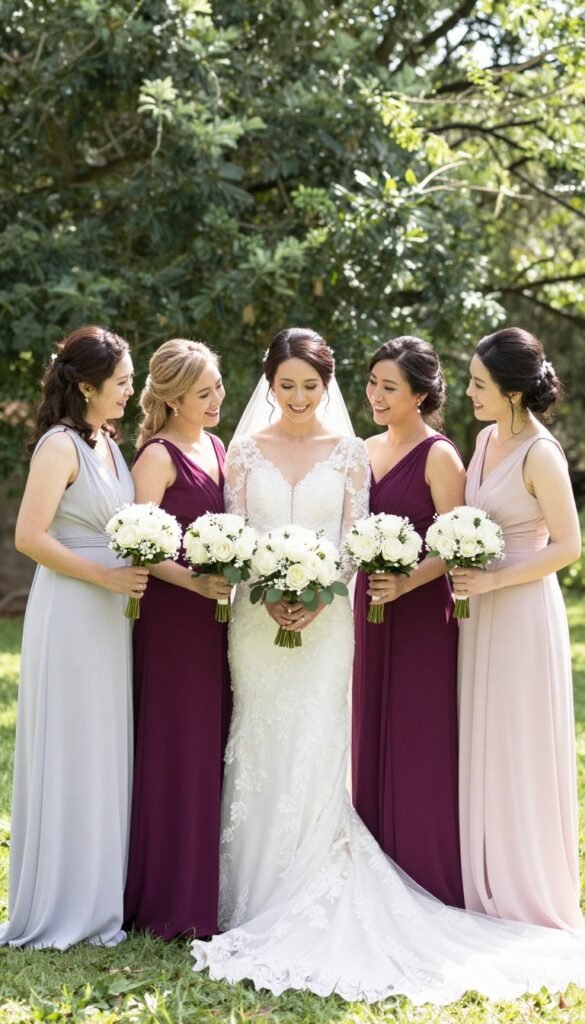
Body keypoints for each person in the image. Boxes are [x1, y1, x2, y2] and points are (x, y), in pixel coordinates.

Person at [190, 327, 585, 1004]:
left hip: (378, 616)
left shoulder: (381, 453)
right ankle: (249, 885)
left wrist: (320, 591)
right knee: (257, 742)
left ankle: (435, 875)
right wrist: (269, 588)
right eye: (284, 384)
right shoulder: (255, 452)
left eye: (311, 384)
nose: (297, 396)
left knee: (331, 742)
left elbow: (364, 538)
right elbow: (241, 530)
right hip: (268, 622)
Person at [0, 325, 146, 950]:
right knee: (71, 744)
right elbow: (29, 538)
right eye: (121, 383)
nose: (130, 392)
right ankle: (62, 900)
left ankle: (101, 892)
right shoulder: (60, 446)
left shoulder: (109, 442)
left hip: (112, 613)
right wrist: (104, 576)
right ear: (85, 385)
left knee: (103, 746)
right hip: (72, 606)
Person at [453, 327, 583, 930]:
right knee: (484, 733)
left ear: (510, 391)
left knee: (519, 737)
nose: (469, 392)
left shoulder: (541, 453)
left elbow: (569, 546)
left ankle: (526, 883)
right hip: (479, 606)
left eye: (479, 384)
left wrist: (495, 581)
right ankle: (484, 871)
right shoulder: (483, 439)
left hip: (522, 607)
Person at [123, 339, 232, 940]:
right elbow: (137, 543)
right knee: (177, 749)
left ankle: (206, 890)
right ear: (170, 398)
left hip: (216, 619)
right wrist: (196, 581)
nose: (217, 399)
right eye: (203, 393)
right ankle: (167, 900)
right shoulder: (156, 457)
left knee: (211, 745)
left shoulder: (216, 446)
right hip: (172, 621)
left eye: (217, 387)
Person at [352, 336, 465, 906]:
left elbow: (460, 542)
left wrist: (407, 581)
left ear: (419, 395)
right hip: (368, 608)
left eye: (388, 387)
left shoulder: (440, 455)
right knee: (369, 724)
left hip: (421, 611)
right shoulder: (365, 449)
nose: (374, 394)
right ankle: (375, 868)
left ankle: (427, 870)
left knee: (418, 734)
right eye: (372, 382)